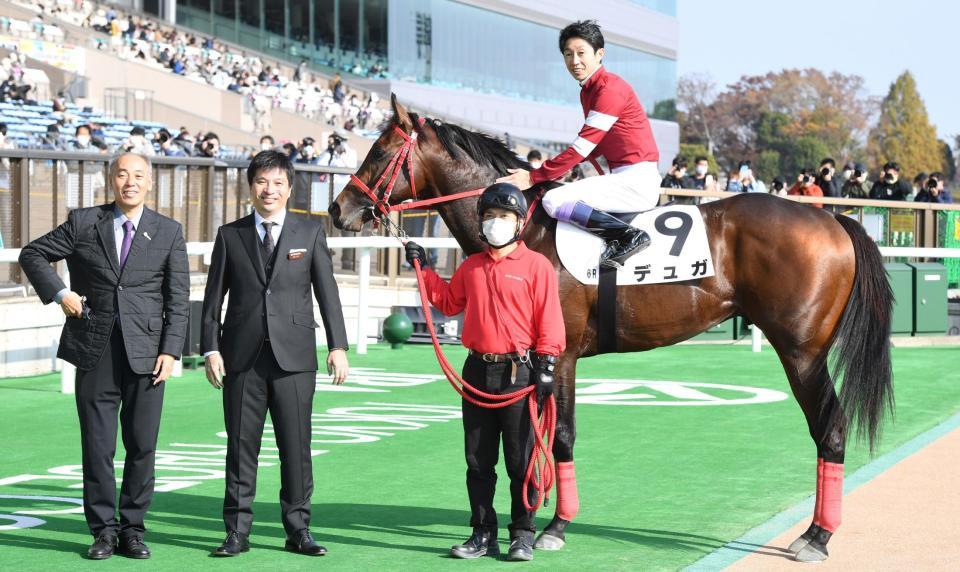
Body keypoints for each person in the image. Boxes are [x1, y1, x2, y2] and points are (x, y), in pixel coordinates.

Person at [18, 153, 189, 560]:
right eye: (122, 174)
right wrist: (61, 293)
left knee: (142, 444)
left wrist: (171, 350)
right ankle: (103, 532)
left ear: (150, 183)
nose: (130, 182)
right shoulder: (83, 222)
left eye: (138, 176)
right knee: (97, 446)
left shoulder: (168, 231)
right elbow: (32, 253)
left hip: (148, 356)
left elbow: (178, 298)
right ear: (110, 180)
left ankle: (132, 530)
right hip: (93, 350)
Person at [404, 183, 565, 562]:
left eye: (504, 217)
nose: (496, 224)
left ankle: (522, 533)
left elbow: (550, 322)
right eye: (489, 217)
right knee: (478, 461)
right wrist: (424, 269)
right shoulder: (472, 265)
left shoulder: (537, 266)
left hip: (519, 373)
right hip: (477, 370)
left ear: (519, 223)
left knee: (519, 461)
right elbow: (447, 302)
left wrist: (546, 368)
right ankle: (482, 533)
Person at [201, 150, 349, 558]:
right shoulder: (230, 235)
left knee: (296, 447)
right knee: (240, 446)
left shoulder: (310, 231)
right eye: (262, 182)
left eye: (278, 182)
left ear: (289, 188)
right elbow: (213, 299)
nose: (270, 189)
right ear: (251, 186)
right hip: (241, 358)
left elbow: (328, 294)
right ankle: (236, 531)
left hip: (296, 359)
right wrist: (211, 348)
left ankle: (299, 529)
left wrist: (337, 345)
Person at [496, 20, 659, 269]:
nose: (574, 61)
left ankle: (628, 236)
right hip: (625, 177)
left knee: (553, 201)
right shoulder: (589, 90)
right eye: (568, 54)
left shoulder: (609, 89)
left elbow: (582, 148)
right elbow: (590, 148)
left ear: (600, 53)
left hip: (636, 181)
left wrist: (533, 177)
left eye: (581, 53)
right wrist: (546, 173)